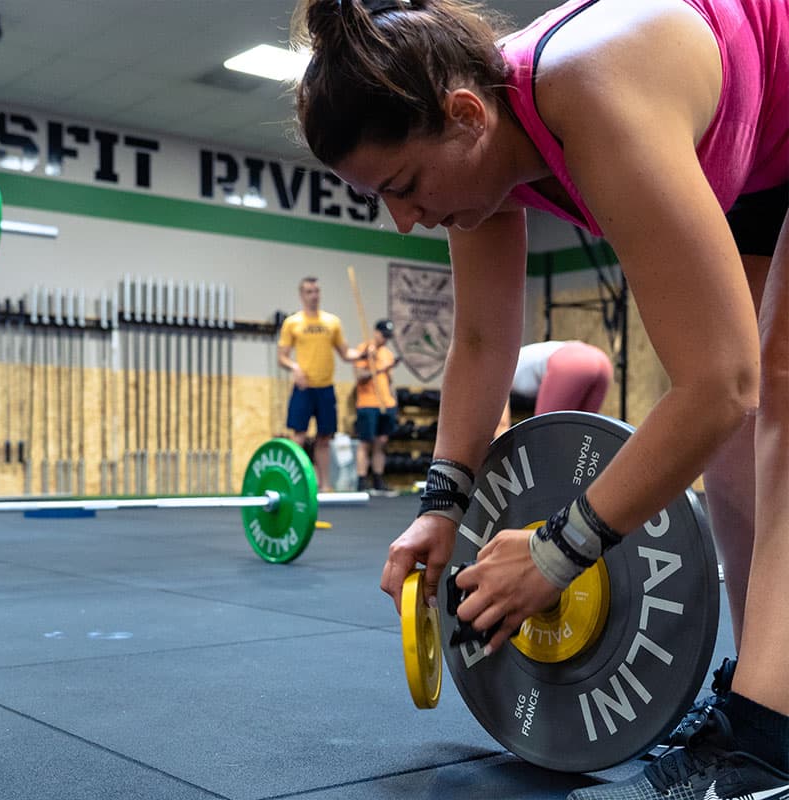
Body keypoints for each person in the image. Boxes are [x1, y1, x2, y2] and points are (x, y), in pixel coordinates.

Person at [291, 0, 789, 797]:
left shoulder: (592, 87)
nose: (406, 220)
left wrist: (560, 550)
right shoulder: (477, 156)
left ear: (466, 116)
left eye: (406, 185)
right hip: (759, 130)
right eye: (382, 200)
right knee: (744, 424)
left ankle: (772, 739)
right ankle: (764, 685)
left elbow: (717, 380)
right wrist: (440, 507)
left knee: (774, 389)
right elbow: (483, 342)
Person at [278, 276, 363, 491]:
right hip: (304, 387)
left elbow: (345, 354)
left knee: (324, 438)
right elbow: (282, 357)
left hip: (326, 388)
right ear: (301, 295)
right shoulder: (293, 323)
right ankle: (294, 486)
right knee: (298, 436)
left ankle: (325, 486)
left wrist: (364, 352)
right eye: (309, 291)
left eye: (316, 291)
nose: (313, 295)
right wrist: (295, 368)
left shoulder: (331, 322)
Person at [494, 340, 613, 437]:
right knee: (582, 438)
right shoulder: (518, 356)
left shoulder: (497, 372)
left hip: (570, 363)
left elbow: (502, 425)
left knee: (543, 436)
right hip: (601, 361)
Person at [353, 318, 401, 492]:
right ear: (376, 332)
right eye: (383, 335)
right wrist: (377, 366)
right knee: (365, 442)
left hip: (386, 403)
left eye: (388, 336)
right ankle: (361, 481)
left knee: (381, 441)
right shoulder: (363, 350)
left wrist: (395, 402)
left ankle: (378, 480)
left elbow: (389, 381)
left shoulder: (387, 353)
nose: (385, 339)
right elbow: (359, 375)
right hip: (368, 403)